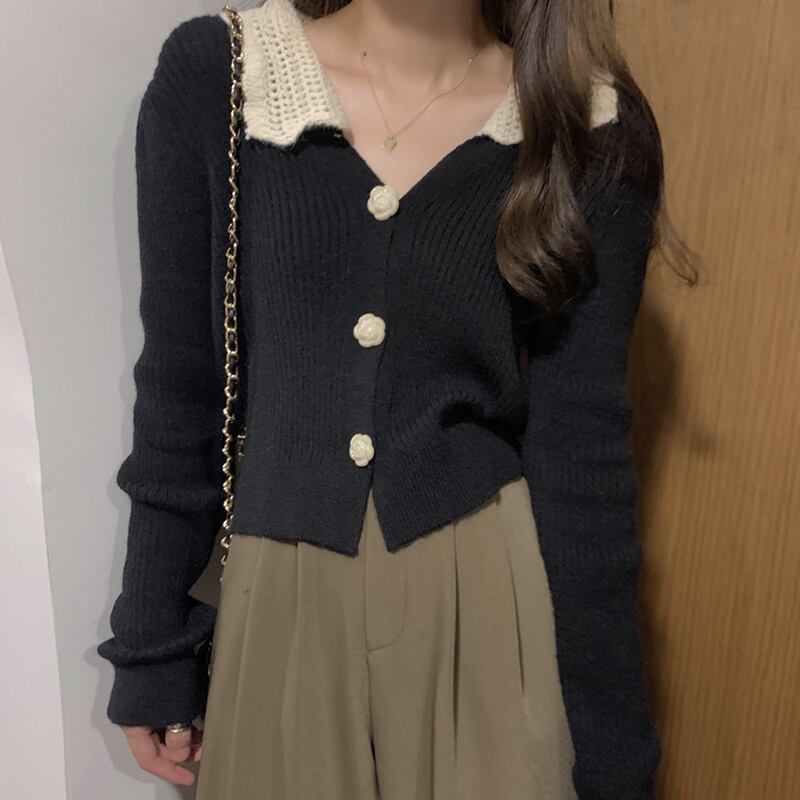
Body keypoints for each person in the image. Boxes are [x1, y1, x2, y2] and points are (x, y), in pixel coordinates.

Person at [97, 0, 693, 797]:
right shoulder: (225, 75)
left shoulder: (590, 119)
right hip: (280, 606)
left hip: (488, 608)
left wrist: (613, 750)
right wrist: (153, 641)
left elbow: (580, 449)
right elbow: (180, 385)